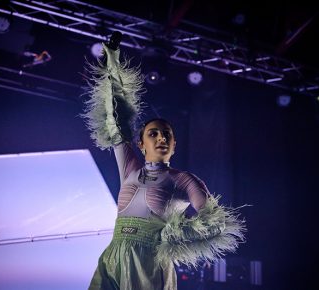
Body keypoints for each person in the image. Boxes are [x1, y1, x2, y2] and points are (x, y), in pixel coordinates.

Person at [83, 40, 246, 290]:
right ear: (141, 144)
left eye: (167, 134)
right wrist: (113, 64)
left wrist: (174, 237)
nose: (161, 138)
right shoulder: (130, 169)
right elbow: (115, 119)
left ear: (174, 145)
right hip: (113, 254)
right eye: (154, 134)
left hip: (149, 261)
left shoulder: (184, 179)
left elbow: (214, 222)